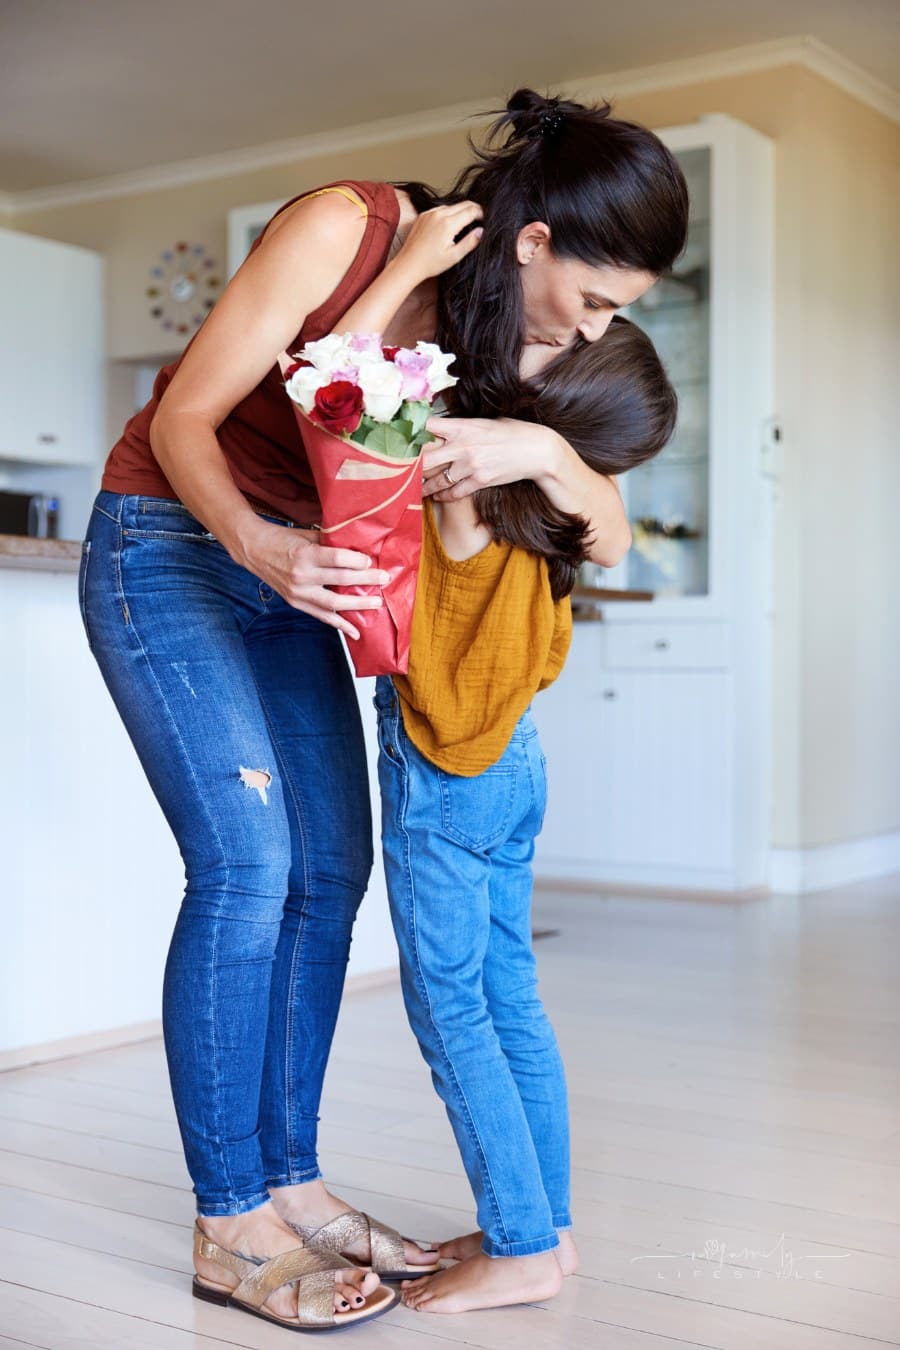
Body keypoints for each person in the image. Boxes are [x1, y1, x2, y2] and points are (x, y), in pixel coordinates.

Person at [78, 88, 688, 1332]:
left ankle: (291, 1181)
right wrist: (255, 544)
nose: (592, 334)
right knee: (248, 870)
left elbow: (593, 529)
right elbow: (188, 418)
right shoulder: (344, 230)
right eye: (597, 299)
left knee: (331, 875)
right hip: (176, 545)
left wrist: (556, 460)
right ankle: (228, 1213)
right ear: (535, 244)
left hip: (293, 570)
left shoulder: (493, 330)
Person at [322, 217, 676, 1313]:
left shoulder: (464, 484)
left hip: (446, 772)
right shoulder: (553, 511)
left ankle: (520, 1248)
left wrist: (405, 272)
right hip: (516, 765)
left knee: (453, 1013)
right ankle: (545, 1229)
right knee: (510, 998)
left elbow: (338, 385)